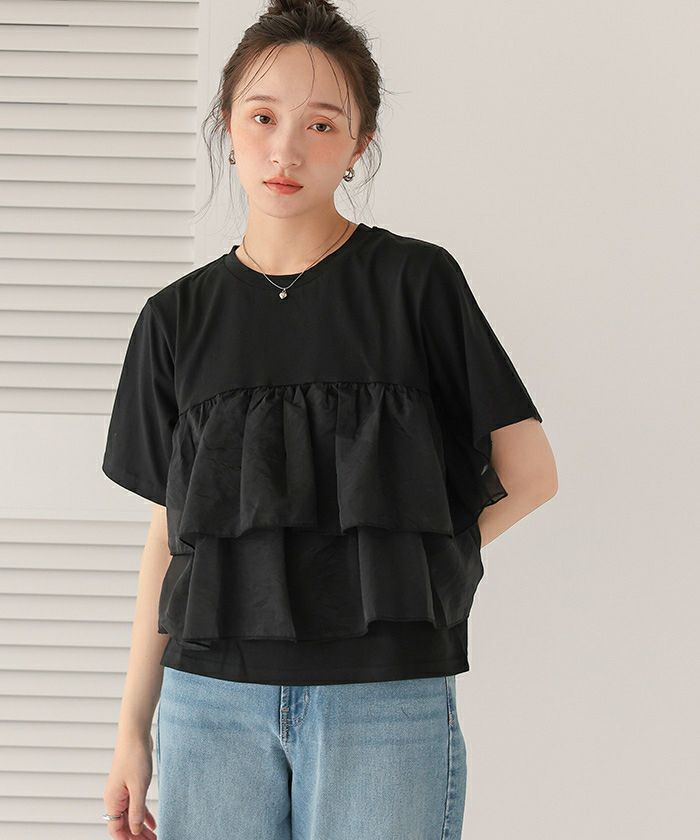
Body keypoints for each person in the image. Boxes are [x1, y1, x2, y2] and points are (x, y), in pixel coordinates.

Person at [100, 1, 558, 838]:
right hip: (210, 703)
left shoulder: (416, 284)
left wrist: (415, 565)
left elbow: (531, 475)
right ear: (227, 125)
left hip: (383, 700)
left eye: (321, 124)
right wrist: (133, 727)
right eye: (263, 117)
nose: (287, 149)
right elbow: (170, 536)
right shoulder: (175, 319)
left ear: (358, 144)